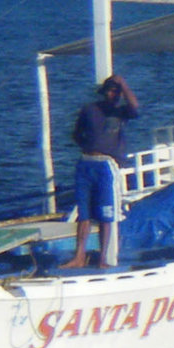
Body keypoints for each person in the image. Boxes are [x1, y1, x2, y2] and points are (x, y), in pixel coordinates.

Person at [65, 74, 139, 270]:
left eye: (116, 91)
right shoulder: (90, 109)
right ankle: (78, 256)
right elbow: (76, 133)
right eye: (110, 90)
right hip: (86, 163)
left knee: (107, 214)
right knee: (84, 214)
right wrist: (88, 146)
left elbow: (135, 107)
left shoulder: (122, 112)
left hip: (106, 166)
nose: (112, 94)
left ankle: (103, 258)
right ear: (104, 92)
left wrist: (123, 83)